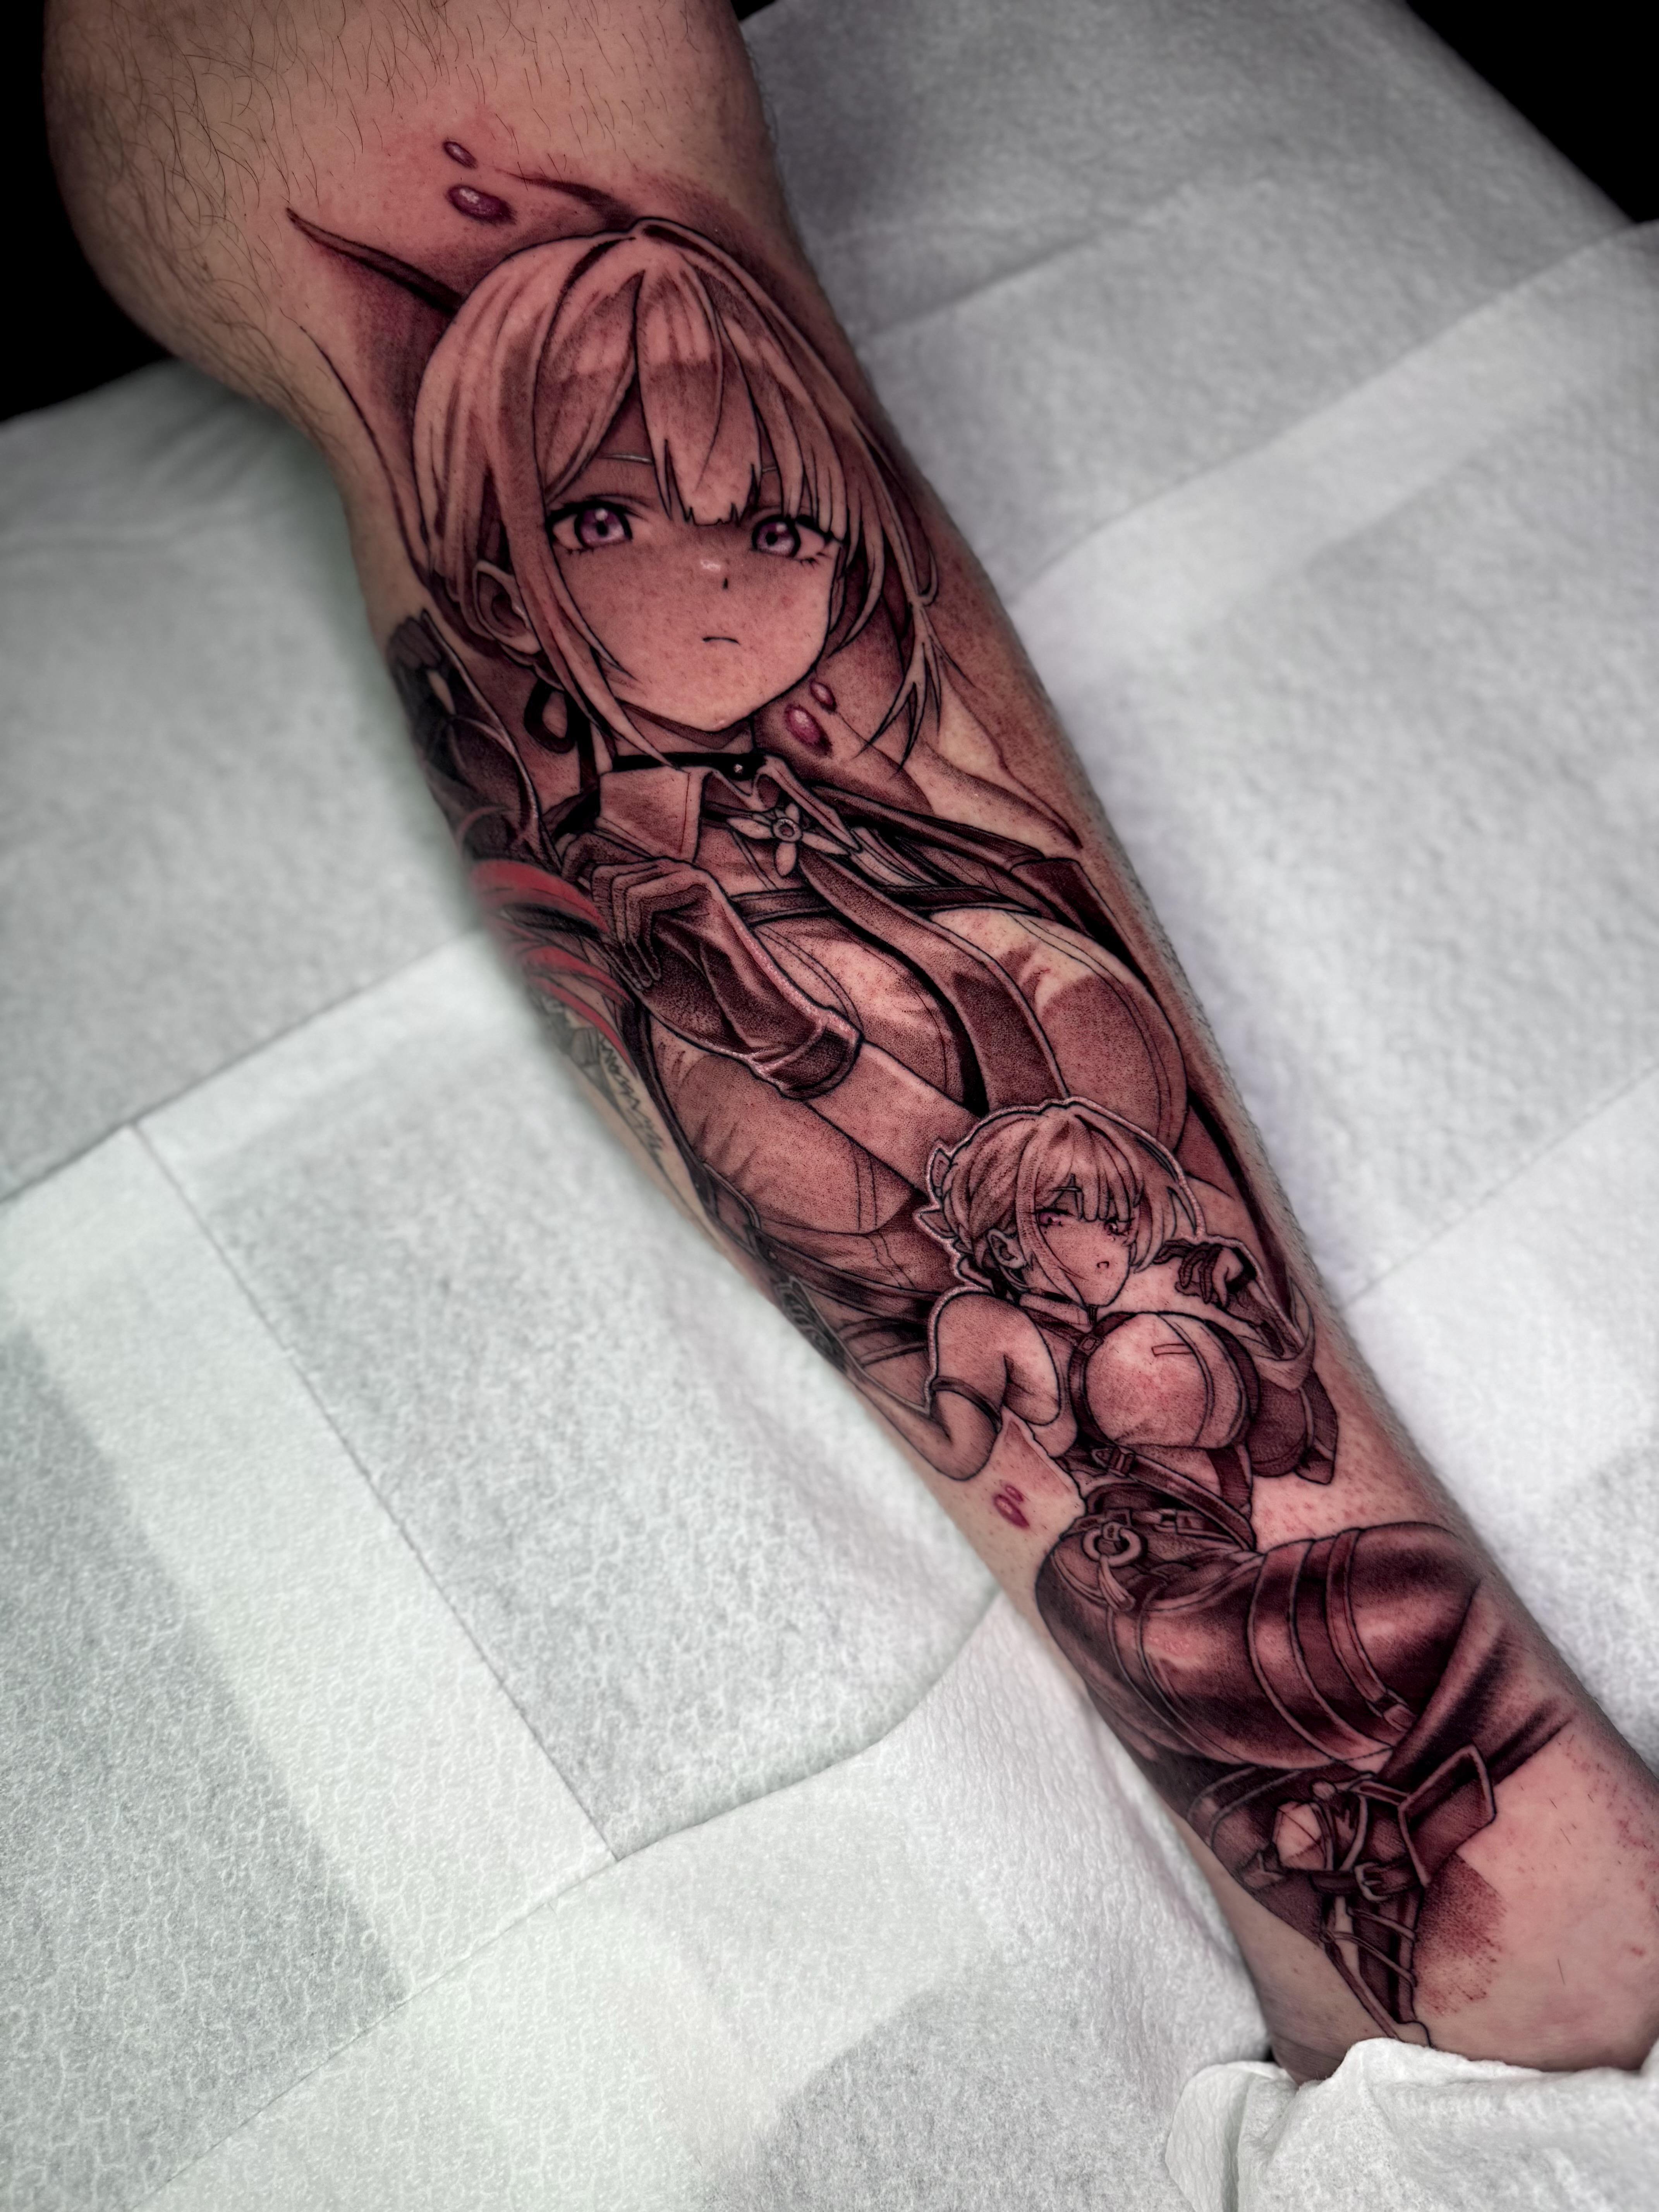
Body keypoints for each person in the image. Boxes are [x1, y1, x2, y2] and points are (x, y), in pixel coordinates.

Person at [45, 0, 1659, 2080]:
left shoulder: (875, 837)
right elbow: (406, 80)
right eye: (606, 522)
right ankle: (1495, 1942)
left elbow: (1070, 1070)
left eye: (772, 530)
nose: (712, 587)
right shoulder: (660, 895)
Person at [876, 1098, 1565, 2042]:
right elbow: (958, 1447)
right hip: (1135, 1594)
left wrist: (1240, 1315)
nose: (1121, 1237)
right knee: (1440, 1592)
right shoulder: (989, 1322)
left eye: (1126, 1215)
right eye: (1091, 1216)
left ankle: (1352, 1872)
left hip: (1194, 1589)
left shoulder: (1153, 1310)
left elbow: (1295, 1446)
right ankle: (1373, 1850)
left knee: (1445, 1630)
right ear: (1014, 1233)